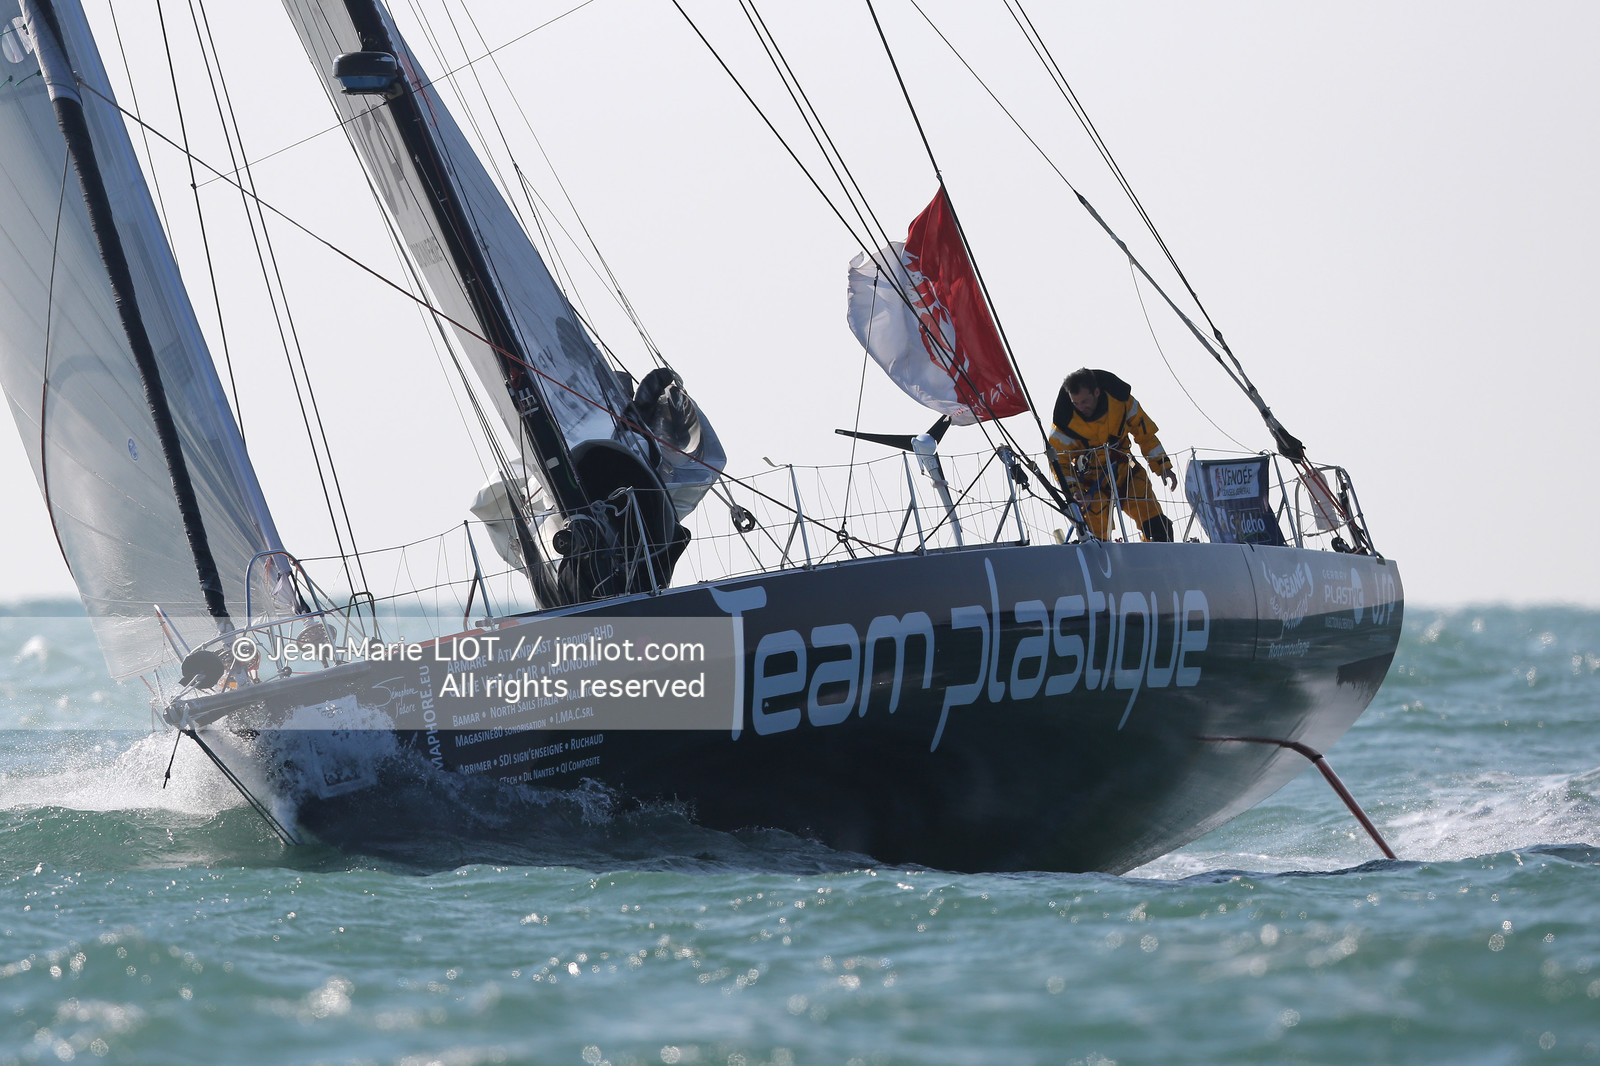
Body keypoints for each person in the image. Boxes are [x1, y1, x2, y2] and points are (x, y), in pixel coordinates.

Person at [1047, 367, 1177, 542]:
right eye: (1075, 403)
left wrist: (1163, 467)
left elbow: (1145, 435)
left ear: (1097, 392)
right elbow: (1059, 464)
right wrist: (1074, 492)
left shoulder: (1123, 403)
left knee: (1158, 525)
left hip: (1126, 474)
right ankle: (1102, 562)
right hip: (1092, 488)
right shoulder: (1064, 425)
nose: (1081, 407)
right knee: (1095, 537)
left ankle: (1158, 554)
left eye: (1085, 401)